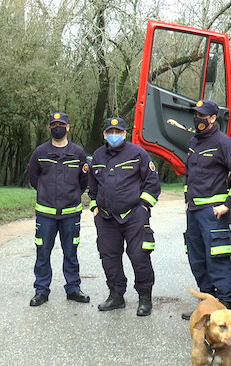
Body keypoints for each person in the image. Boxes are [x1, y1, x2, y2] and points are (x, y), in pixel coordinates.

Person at [181, 100, 231, 321]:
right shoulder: (194, 143)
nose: (198, 119)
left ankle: (225, 304)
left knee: (217, 258)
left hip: (212, 214)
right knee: (197, 258)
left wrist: (228, 204)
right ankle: (207, 303)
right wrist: (186, 199)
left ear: (213, 118)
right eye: (196, 114)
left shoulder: (223, 143)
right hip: (194, 211)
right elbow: (190, 175)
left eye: (202, 115)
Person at [88, 117, 161, 316]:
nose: (114, 135)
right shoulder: (98, 155)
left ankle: (144, 298)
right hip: (106, 218)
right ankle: (116, 295)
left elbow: (152, 183)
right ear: (104, 134)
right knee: (109, 257)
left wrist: (144, 206)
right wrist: (95, 206)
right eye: (110, 132)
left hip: (134, 216)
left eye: (118, 132)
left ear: (125, 133)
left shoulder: (138, 154)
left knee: (139, 256)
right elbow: (92, 186)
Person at [27, 112, 90, 306]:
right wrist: (47, 194)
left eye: (61, 124)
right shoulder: (40, 153)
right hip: (46, 213)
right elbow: (33, 179)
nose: (57, 128)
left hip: (71, 213)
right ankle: (41, 290)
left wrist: (70, 196)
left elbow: (84, 181)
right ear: (49, 128)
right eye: (54, 125)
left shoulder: (78, 153)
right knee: (43, 252)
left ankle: (73, 288)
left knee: (71, 252)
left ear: (68, 127)